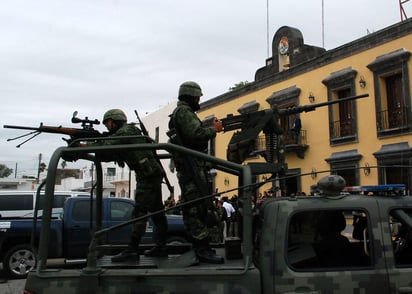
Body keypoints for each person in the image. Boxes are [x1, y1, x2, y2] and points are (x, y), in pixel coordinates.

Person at [89, 109, 169, 262]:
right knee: (157, 211)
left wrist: (85, 144)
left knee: (140, 212)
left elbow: (106, 145)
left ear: (114, 121)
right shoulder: (129, 131)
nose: (107, 127)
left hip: (147, 175)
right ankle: (161, 246)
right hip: (150, 174)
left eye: (108, 123)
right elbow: (109, 153)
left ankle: (133, 249)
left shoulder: (125, 132)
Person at [168, 81, 224, 264]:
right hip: (190, 166)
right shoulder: (184, 112)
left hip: (192, 165)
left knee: (198, 205)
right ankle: (201, 249)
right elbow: (196, 134)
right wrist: (213, 130)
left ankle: (203, 247)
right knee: (195, 207)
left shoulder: (183, 112)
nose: (200, 100)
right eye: (198, 97)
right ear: (190, 96)